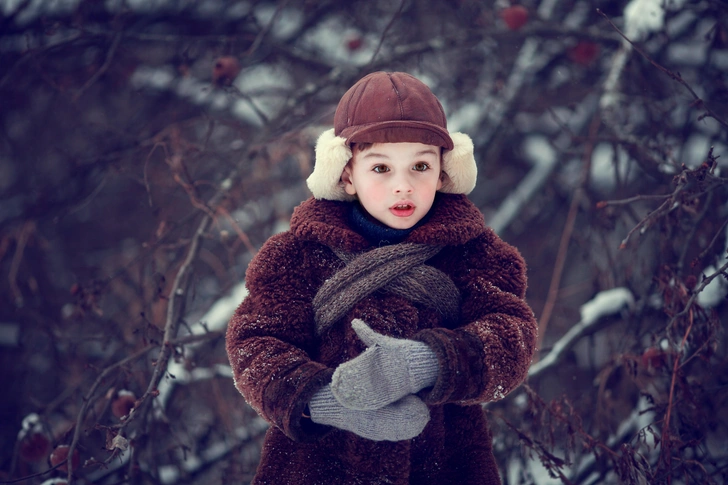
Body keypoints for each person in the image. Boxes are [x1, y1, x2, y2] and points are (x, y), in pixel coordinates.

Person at [226, 71, 537, 484]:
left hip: (445, 466)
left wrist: (428, 363)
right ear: (348, 174)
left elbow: (512, 336)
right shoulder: (298, 255)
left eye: (420, 166)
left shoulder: (472, 252)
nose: (403, 186)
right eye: (381, 168)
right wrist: (321, 401)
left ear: (443, 173)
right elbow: (254, 344)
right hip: (317, 468)